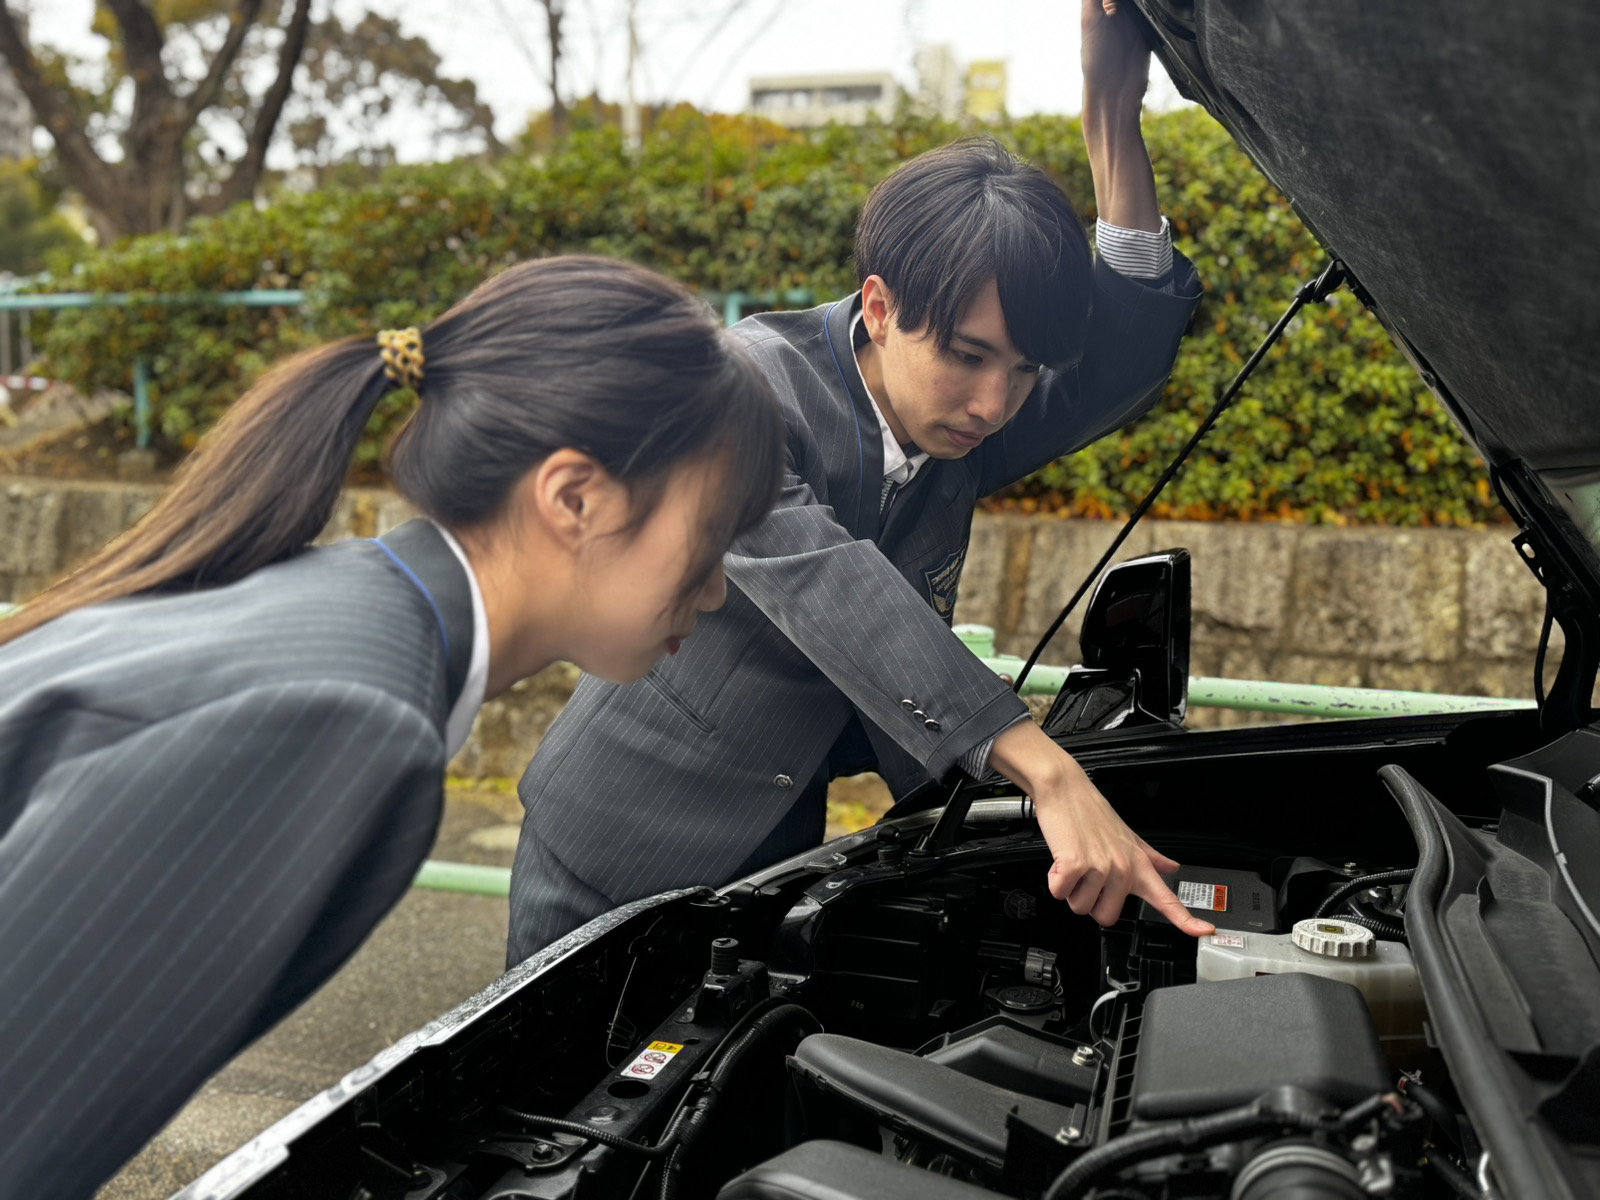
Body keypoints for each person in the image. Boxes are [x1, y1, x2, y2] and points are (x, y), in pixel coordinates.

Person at [0, 256, 785, 1199]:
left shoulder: (335, 607)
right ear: (573, 498)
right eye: (710, 540)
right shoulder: (349, 723)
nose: (716, 590)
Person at [507, 0, 1215, 962]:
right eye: (968, 356)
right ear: (880, 307)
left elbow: (1116, 364)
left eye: (1022, 371)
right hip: (612, 842)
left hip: (769, 855)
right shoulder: (740, 389)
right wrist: (1047, 772)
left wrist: (1112, 110)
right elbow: (832, 586)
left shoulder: (957, 420)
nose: (994, 403)